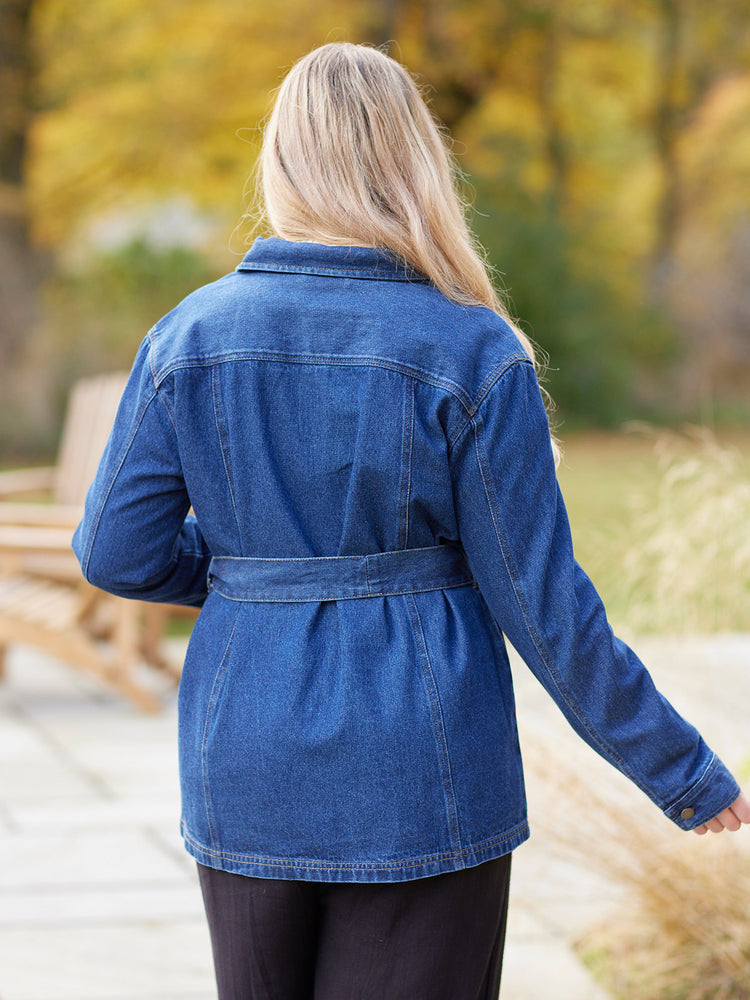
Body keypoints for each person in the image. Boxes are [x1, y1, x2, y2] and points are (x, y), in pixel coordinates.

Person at [73, 41, 749, 1000]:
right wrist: (682, 771)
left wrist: (250, 582)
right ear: (414, 163)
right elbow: (544, 607)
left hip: (246, 748)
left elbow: (115, 552)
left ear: (280, 162)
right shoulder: (473, 350)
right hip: (421, 760)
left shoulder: (189, 335)